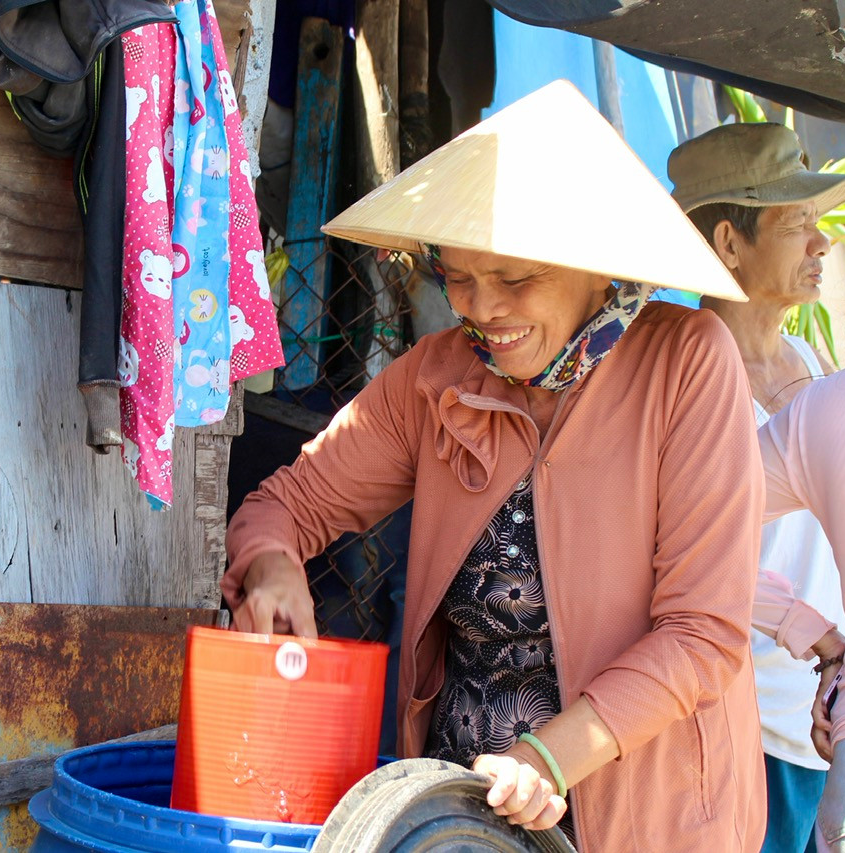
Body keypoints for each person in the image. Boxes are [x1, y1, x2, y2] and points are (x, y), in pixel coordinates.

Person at [222, 80, 767, 850]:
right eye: (459, 276)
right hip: (467, 821)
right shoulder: (435, 376)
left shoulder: (687, 361)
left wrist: (551, 755)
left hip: (654, 815)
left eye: (515, 279)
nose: (483, 308)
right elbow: (289, 503)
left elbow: (702, 633)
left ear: (599, 266)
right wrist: (270, 561)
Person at [668, 121, 845, 853]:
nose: (822, 245)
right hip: (736, 724)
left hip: (822, 714)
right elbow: (683, 545)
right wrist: (811, 632)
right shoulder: (684, 380)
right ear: (728, 243)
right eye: (798, 224)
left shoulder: (813, 361)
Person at [757, 368, 845, 850]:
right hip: (771, 713)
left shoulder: (830, 400)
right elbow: (686, 525)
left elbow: (690, 523)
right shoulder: (832, 404)